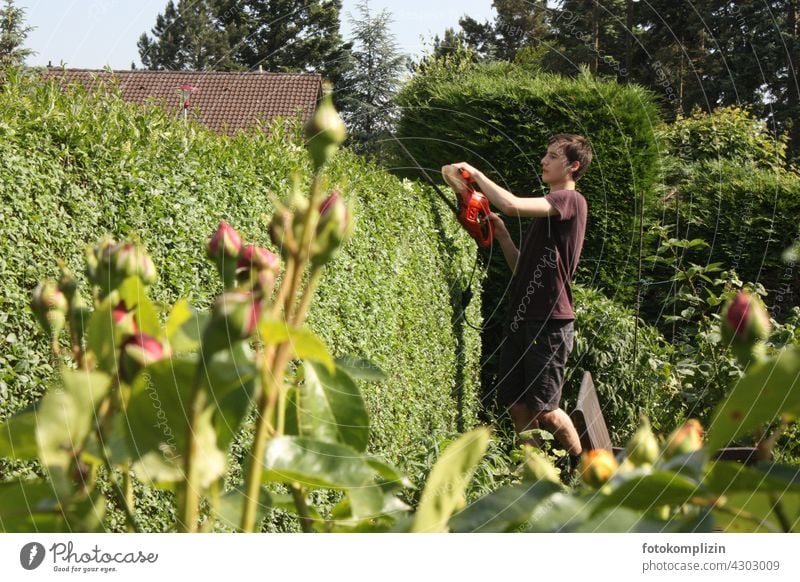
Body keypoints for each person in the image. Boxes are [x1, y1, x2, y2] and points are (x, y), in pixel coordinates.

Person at [444, 133, 592, 464]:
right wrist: (504, 236)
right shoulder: (549, 213)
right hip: (523, 319)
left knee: (547, 411)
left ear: (573, 166)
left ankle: (589, 473)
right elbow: (520, 270)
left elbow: (511, 205)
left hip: (550, 322)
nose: (543, 160)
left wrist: (477, 175)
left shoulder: (571, 201)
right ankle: (536, 479)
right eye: (546, 154)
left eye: (553, 156)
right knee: (518, 404)